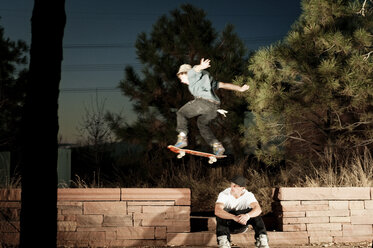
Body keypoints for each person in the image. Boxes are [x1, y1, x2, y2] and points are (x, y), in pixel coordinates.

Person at [175, 58, 250, 155]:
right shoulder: (205, 79)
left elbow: (195, 70)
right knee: (201, 124)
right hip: (214, 107)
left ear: (185, 74)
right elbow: (222, 84)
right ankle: (216, 145)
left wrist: (201, 66)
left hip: (204, 103)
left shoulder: (191, 75)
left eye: (182, 78)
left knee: (181, 113)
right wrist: (239, 88)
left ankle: (182, 138)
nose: (182, 81)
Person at [215, 175, 270, 248]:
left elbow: (258, 209)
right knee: (222, 212)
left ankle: (262, 240)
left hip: (242, 224)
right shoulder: (224, 194)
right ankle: (223, 242)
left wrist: (247, 216)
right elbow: (217, 211)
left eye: (235, 186)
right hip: (228, 225)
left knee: (254, 212)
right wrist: (234, 217)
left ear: (242, 188)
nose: (232, 187)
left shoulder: (248, 195)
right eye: (232, 185)